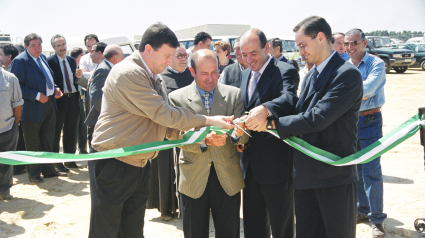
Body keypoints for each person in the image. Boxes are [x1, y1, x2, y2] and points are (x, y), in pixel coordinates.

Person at [87, 23, 234, 237]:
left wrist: (203, 137)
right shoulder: (129, 73)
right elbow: (164, 114)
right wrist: (209, 121)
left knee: (132, 230)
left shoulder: (154, 78)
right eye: (166, 56)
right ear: (148, 49)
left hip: (139, 164)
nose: (169, 62)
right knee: (106, 231)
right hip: (115, 164)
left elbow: (169, 127)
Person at [246, 16, 363, 238]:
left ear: (320, 37)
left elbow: (317, 118)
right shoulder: (310, 75)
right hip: (305, 175)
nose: (299, 52)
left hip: (333, 176)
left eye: (302, 45)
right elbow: (298, 112)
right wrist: (260, 113)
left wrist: (270, 124)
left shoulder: (346, 75)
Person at [169, 49, 249, 238]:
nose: (210, 78)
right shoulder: (177, 98)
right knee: (194, 232)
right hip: (193, 178)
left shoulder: (234, 94)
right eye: (204, 73)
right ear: (192, 71)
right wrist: (203, 140)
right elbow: (175, 135)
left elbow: (244, 136)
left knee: (229, 231)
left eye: (214, 72)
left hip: (227, 177)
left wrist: (238, 132)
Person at [239, 29, 299, 238]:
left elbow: (290, 98)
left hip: (276, 166)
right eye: (244, 54)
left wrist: (266, 109)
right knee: (253, 227)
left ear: (266, 48)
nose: (248, 59)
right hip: (249, 166)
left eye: (253, 53)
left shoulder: (285, 69)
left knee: (281, 226)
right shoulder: (244, 73)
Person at [345, 28, 387, 238]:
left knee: (371, 171)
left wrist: (345, 92)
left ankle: (377, 219)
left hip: (370, 121)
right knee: (356, 171)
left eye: (354, 43)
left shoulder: (376, 63)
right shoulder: (345, 64)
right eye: (347, 44)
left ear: (365, 43)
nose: (350, 47)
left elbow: (369, 89)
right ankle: (362, 211)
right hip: (351, 122)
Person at [11, 33, 66, 183]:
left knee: (48, 139)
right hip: (32, 108)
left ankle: (49, 170)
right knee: (33, 143)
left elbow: (49, 78)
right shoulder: (20, 61)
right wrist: (36, 95)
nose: (37, 48)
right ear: (26, 47)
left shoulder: (42, 58)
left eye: (39, 45)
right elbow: (17, 87)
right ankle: (34, 174)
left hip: (49, 104)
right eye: (33, 46)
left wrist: (55, 88)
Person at [147, 44, 193, 221]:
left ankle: (188, 205)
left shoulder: (193, 75)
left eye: (185, 56)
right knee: (166, 170)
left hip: (189, 130)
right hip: (167, 131)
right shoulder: (160, 78)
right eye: (179, 56)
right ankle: (166, 207)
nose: (183, 59)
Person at [47, 34, 83, 172]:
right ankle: (57, 162)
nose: (62, 48)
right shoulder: (49, 61)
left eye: (64, 44)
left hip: (73, 98)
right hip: (59, 100)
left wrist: (78, 77)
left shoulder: (71, 61)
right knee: (56, 132)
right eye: (59, 46)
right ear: (53, 47)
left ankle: (70, 160)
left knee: (71, 131)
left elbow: (75, 80)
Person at [85, 45, 124, 128]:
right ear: (114, 57)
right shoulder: (104, 70)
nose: (123, 58)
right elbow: (97, 97)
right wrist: (109, 115)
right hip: (102, 121)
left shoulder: (107, 67)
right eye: (122, 55)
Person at [0, 67, 23, 200]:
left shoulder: (10, 78)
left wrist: (15, 124)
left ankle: (4, 190)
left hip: (7, 127)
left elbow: (17, 104)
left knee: (6, 162)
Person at [86, 42, 106, 145]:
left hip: (99, 116)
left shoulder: (102, 68)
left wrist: (105, 113)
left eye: (92, 51)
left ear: (99, 53)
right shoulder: (98, 67)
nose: (90, 54)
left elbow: (97, 96)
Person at [70, 47, 88, 155]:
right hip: (74, 100)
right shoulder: (72, 68)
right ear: (79, 57)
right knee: (75, 126)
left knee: (83, 125)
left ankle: (83, 149)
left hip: (82, 99)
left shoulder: (80, 68)